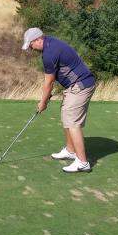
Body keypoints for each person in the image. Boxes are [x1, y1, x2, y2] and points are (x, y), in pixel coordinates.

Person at [22, 27, 96, 173]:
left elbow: (49, 82)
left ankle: (82, 163)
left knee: (72, 121)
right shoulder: (50, 43)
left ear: (38, 39)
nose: (31, 48)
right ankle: (70, 150)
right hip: (74, 85)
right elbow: (56, 76)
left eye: (31, 44)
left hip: (81, 85)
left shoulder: (49, 53)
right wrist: (46, 97)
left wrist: (43, 102)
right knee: (66, 115)